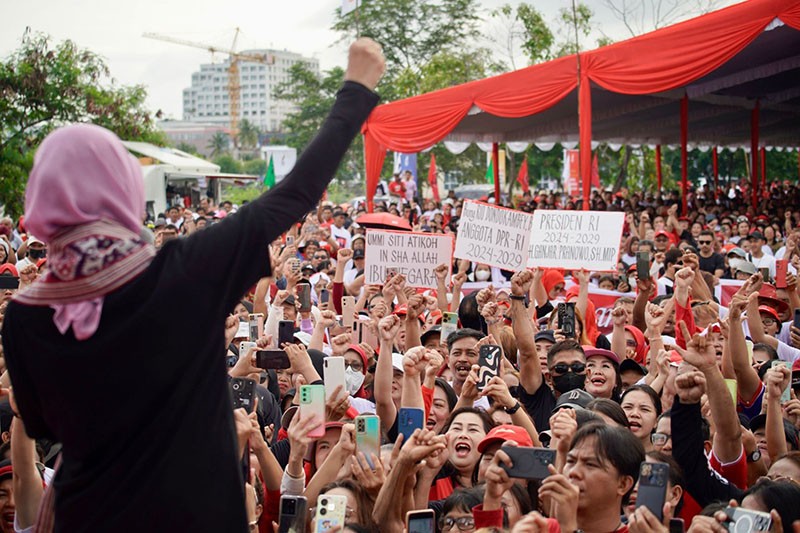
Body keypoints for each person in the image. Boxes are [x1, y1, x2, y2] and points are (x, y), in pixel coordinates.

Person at [1, 39, 386, 532]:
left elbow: (41, 426)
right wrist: (355, 90)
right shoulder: (183, 270)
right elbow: (293, 195)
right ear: (122, 185)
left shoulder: (28, 314)